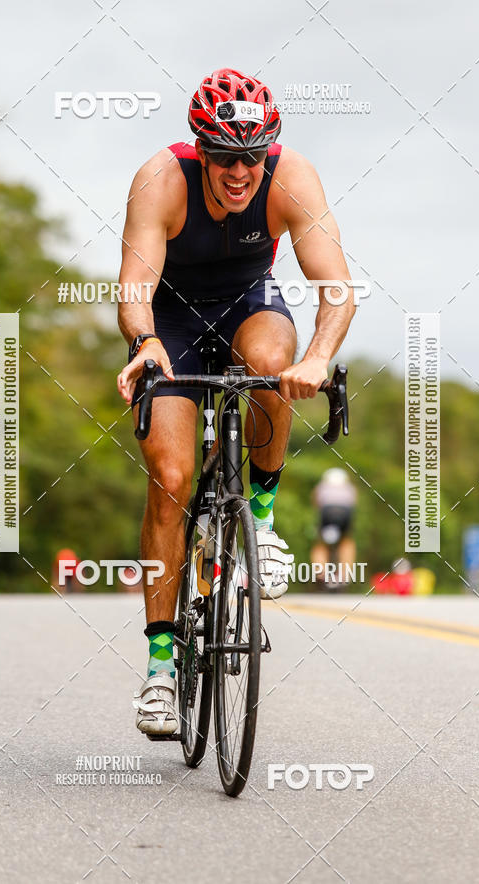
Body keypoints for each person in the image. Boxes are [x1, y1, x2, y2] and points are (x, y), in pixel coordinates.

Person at [116, 68, 355, 735]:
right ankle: (161, 668)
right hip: (173, 320)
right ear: (200, 148)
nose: (239, 171)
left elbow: (337, 286)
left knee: (274, 366)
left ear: (269, 148)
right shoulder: (161, 179)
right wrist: (145, 341)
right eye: (223, 157)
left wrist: (319, 357)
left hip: (251, 305)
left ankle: (263, 521)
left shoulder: (291, 176)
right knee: (169, 478)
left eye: (251, 156)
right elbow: (134, 285)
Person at [310, 468, 357, 588]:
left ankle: (321, 574)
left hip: (327, 513)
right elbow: (353, 502)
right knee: (346, 541)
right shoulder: (349, 488)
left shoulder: (322, 487)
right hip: (345, 513)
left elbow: (316, 503)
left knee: (321, 543)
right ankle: (344, 575)